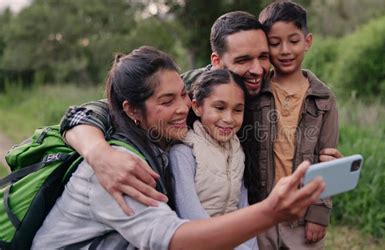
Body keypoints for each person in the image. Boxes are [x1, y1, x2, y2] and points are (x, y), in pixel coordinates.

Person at [31, 46, 326, 249]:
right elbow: (174, 240)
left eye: (183, 95)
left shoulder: (162, 137)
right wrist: (270, 212)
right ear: (132, 110)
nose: (183, 108)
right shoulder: (117, 167)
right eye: (166, 101)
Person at [58, 11, 342, 219]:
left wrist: (323, 160)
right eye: (243, 60)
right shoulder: (192, 88)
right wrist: (99, 154)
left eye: (263, 56)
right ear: (217, 62)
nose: (257, 69)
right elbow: (92, 111)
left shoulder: (272, 86)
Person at [246, 1, 340, 249]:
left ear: (307, 41)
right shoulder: (253, 91)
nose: (285, 50)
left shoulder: (323, 98)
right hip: (259, 212)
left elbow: (327, 160)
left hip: (300, 215)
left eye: (294, 41)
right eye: (275, 43)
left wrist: (319, 215)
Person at [169, 69, 257, 249]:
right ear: (197, 107)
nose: (229, 119)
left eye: (237, 110)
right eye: (219, 108)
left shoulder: (238, 150)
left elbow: (244, 209)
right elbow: (191, 215)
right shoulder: (183, 153)